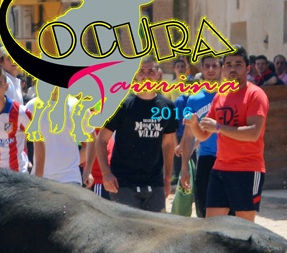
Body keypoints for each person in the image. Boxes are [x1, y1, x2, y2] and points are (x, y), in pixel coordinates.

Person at [186, 46, 269, 221]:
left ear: (248, 68)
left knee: (244, 226)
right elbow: (203, 135)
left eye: (238, 64)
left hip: (248, 168)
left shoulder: (255, 94)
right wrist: (194, 124)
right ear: (223, 69)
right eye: (229, 64)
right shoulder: (220, 96)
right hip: (220, 168)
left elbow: (253, 133)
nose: (233, 68)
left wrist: (219, 127)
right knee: (211, 224)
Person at [92, 62, 176, 212]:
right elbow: (101, 140)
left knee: (155, 227)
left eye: (150, 71)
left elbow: (169, 144)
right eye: (141, 72)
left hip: (154, 183)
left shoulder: (167, 106)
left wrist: (168, 178)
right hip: (123, 183)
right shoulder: (122, 105)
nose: (146, 76)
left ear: (158, 74)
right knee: (126, 227)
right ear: (135, 76)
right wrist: (106, 173)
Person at [177, 56, 222, 218]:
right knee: (204, 211)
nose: (211, 70)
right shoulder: (194, 99)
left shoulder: (229, 96)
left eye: (214, 66)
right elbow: (188, 135)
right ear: (202, 69)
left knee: (231, 212)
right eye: (207, 66)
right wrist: (184, 168)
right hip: (206, 159)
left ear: (221, 68)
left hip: (229, 158)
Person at [31, 89, 84, 185]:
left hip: (70, 179)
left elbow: (92, 142)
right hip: (41, 180)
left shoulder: (77, 107)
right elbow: (20, 138)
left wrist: (73, 164)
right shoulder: (31, 106)